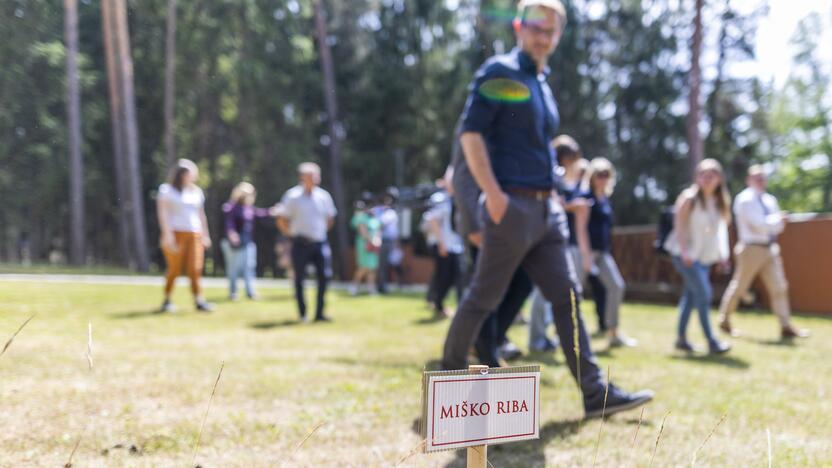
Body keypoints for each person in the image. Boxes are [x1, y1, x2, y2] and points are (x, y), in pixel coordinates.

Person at [441, 0, 653, 419]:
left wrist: (558, 191)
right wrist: (494, 197)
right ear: (519, 27)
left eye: (552, 30)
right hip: (511, 208)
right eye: (537, 27)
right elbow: (470, 136)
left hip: (546, 213)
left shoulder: (542, 83)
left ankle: (595, 395)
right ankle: (446, 387)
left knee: (568, 299)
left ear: (558, 36)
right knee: (484, 296)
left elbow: (537, 151)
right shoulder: (499, 71)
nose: (544, 36)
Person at [717, 165, 810, 339]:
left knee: (779, 287)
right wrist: (775, 221)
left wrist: (773, 223)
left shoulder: (769, 200)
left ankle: (785, 326)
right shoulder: (744, 199)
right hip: (751, 248)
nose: (761, 180)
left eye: (763, 177)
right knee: (740, 286)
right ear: (749, 180)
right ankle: (724, 320)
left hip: (770, 249)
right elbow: (758, 224)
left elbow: (778, 227)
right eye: (757, 177)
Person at [664, 159, 732, 353]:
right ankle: (711, 340)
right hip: (684, 255)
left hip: (704, 258)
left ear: (719, 178)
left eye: (712, 175)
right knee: (704, 293)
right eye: (704, 174)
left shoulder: (719, 201)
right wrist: (685, 252)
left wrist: (723, 255)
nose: (708, 179)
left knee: (691, 296)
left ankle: (681, 339)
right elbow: (678, 227)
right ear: (697, 178)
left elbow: (720, 231)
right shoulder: (689, 198)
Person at [576, 157, 637, 348]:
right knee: (572, 293)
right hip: (585, 251)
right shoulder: (586, 197)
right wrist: (585, 256)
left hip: (603, 253)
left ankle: (613, 332)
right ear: (591, 177)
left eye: (606, 175)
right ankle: (565, 334)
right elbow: (581, 228)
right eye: (599, 175)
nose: (602, 178)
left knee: (616, 286)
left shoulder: (605, 199)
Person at [277, 162, 337, 323]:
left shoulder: (323, 196)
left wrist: (321, 232)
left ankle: (319, 313)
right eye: (311, 176)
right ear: (302, 177)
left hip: (319, 242)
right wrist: (289, 234)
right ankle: (303, 313)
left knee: (324, 276)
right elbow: (282, 218)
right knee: (299, 279)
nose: (314, 179)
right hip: (300, 243)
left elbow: (330, 218)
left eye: (316, 175)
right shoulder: (292, 196)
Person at [156, 158, 214, 313]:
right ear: (182, 174)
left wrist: (205, 234)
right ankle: (167, 299)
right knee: (174, 268)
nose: (194, 176)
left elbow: (201, 215)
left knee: (195, 268)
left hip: (194, 234)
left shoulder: (196, 192)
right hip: (175, 233)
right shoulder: (167, 190)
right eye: (192, 173)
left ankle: (199, 300)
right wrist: (168, 235)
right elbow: (163, 213)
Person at [221, 182, 277, 301]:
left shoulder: (248, 208)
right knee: (233, 269)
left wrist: (271, 211)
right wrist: (232, 234)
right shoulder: (231, 207)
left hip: (247, 242)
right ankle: (233, 293)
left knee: (249, 267)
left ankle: (250, 292)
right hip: (233, 243)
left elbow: (261, 214)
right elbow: (229, 224)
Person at [425, 175, 464, 318]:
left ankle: (437, 302)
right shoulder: (440, 198)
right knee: (443, 276)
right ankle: (438, 304)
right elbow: (432, 220)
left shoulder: (455, 199)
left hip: (453, 245)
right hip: (442, 244)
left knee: (453, 275)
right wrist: (442, 243)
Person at [349, 200, 382, 296]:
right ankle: (354, 287)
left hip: (374, 246)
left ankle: (371, 289)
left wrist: (377, 241)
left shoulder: (375, 219)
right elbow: (363, 233)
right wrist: (372, 241)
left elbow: (378, 232)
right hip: (364, 245)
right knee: (363, 267)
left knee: (372, 268)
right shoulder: (361, 218)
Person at [374, 190, 400, 294]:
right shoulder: (380, 212)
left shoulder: (391, 213)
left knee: (386, 264)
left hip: (389, 241)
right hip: (383, 241)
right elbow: (380, 224)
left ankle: (383, 285)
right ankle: (381, 286)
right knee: (382, 265)